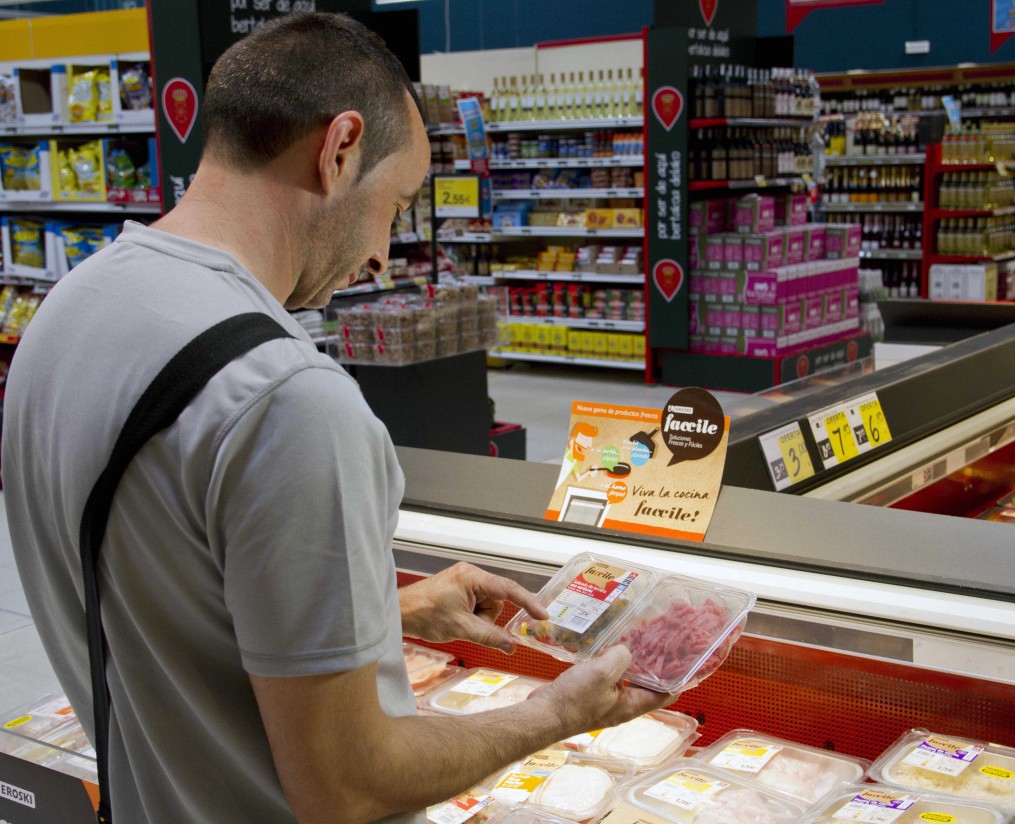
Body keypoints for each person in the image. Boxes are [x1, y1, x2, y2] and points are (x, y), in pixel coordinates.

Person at [2, 13, 671, 823]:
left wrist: (391, 611)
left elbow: (170, 618)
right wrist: (558, 715)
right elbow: (347, 784)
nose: (385, 252)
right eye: (395, 203)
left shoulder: (70, 309)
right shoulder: (290, 401)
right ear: (339, 149)